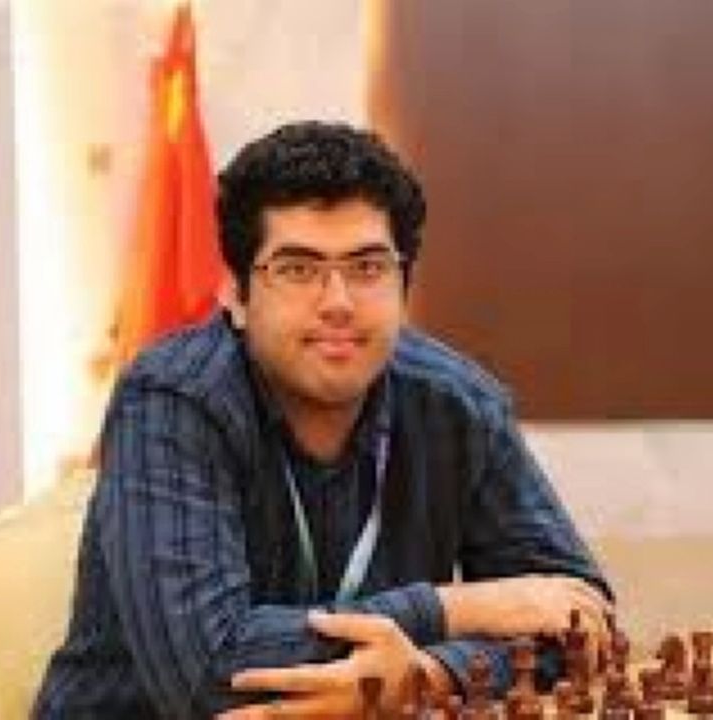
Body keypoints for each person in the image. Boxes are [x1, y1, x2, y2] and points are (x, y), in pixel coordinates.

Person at [34, 121, 613, 719]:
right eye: (297, 269)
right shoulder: (173, 400)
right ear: (235, 294)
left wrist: (428, 673)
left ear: (404, 284)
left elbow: (578, 617)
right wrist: (449, 610)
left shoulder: (457, 404)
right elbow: (208, 673)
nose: (338, 302)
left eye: (367, 267)